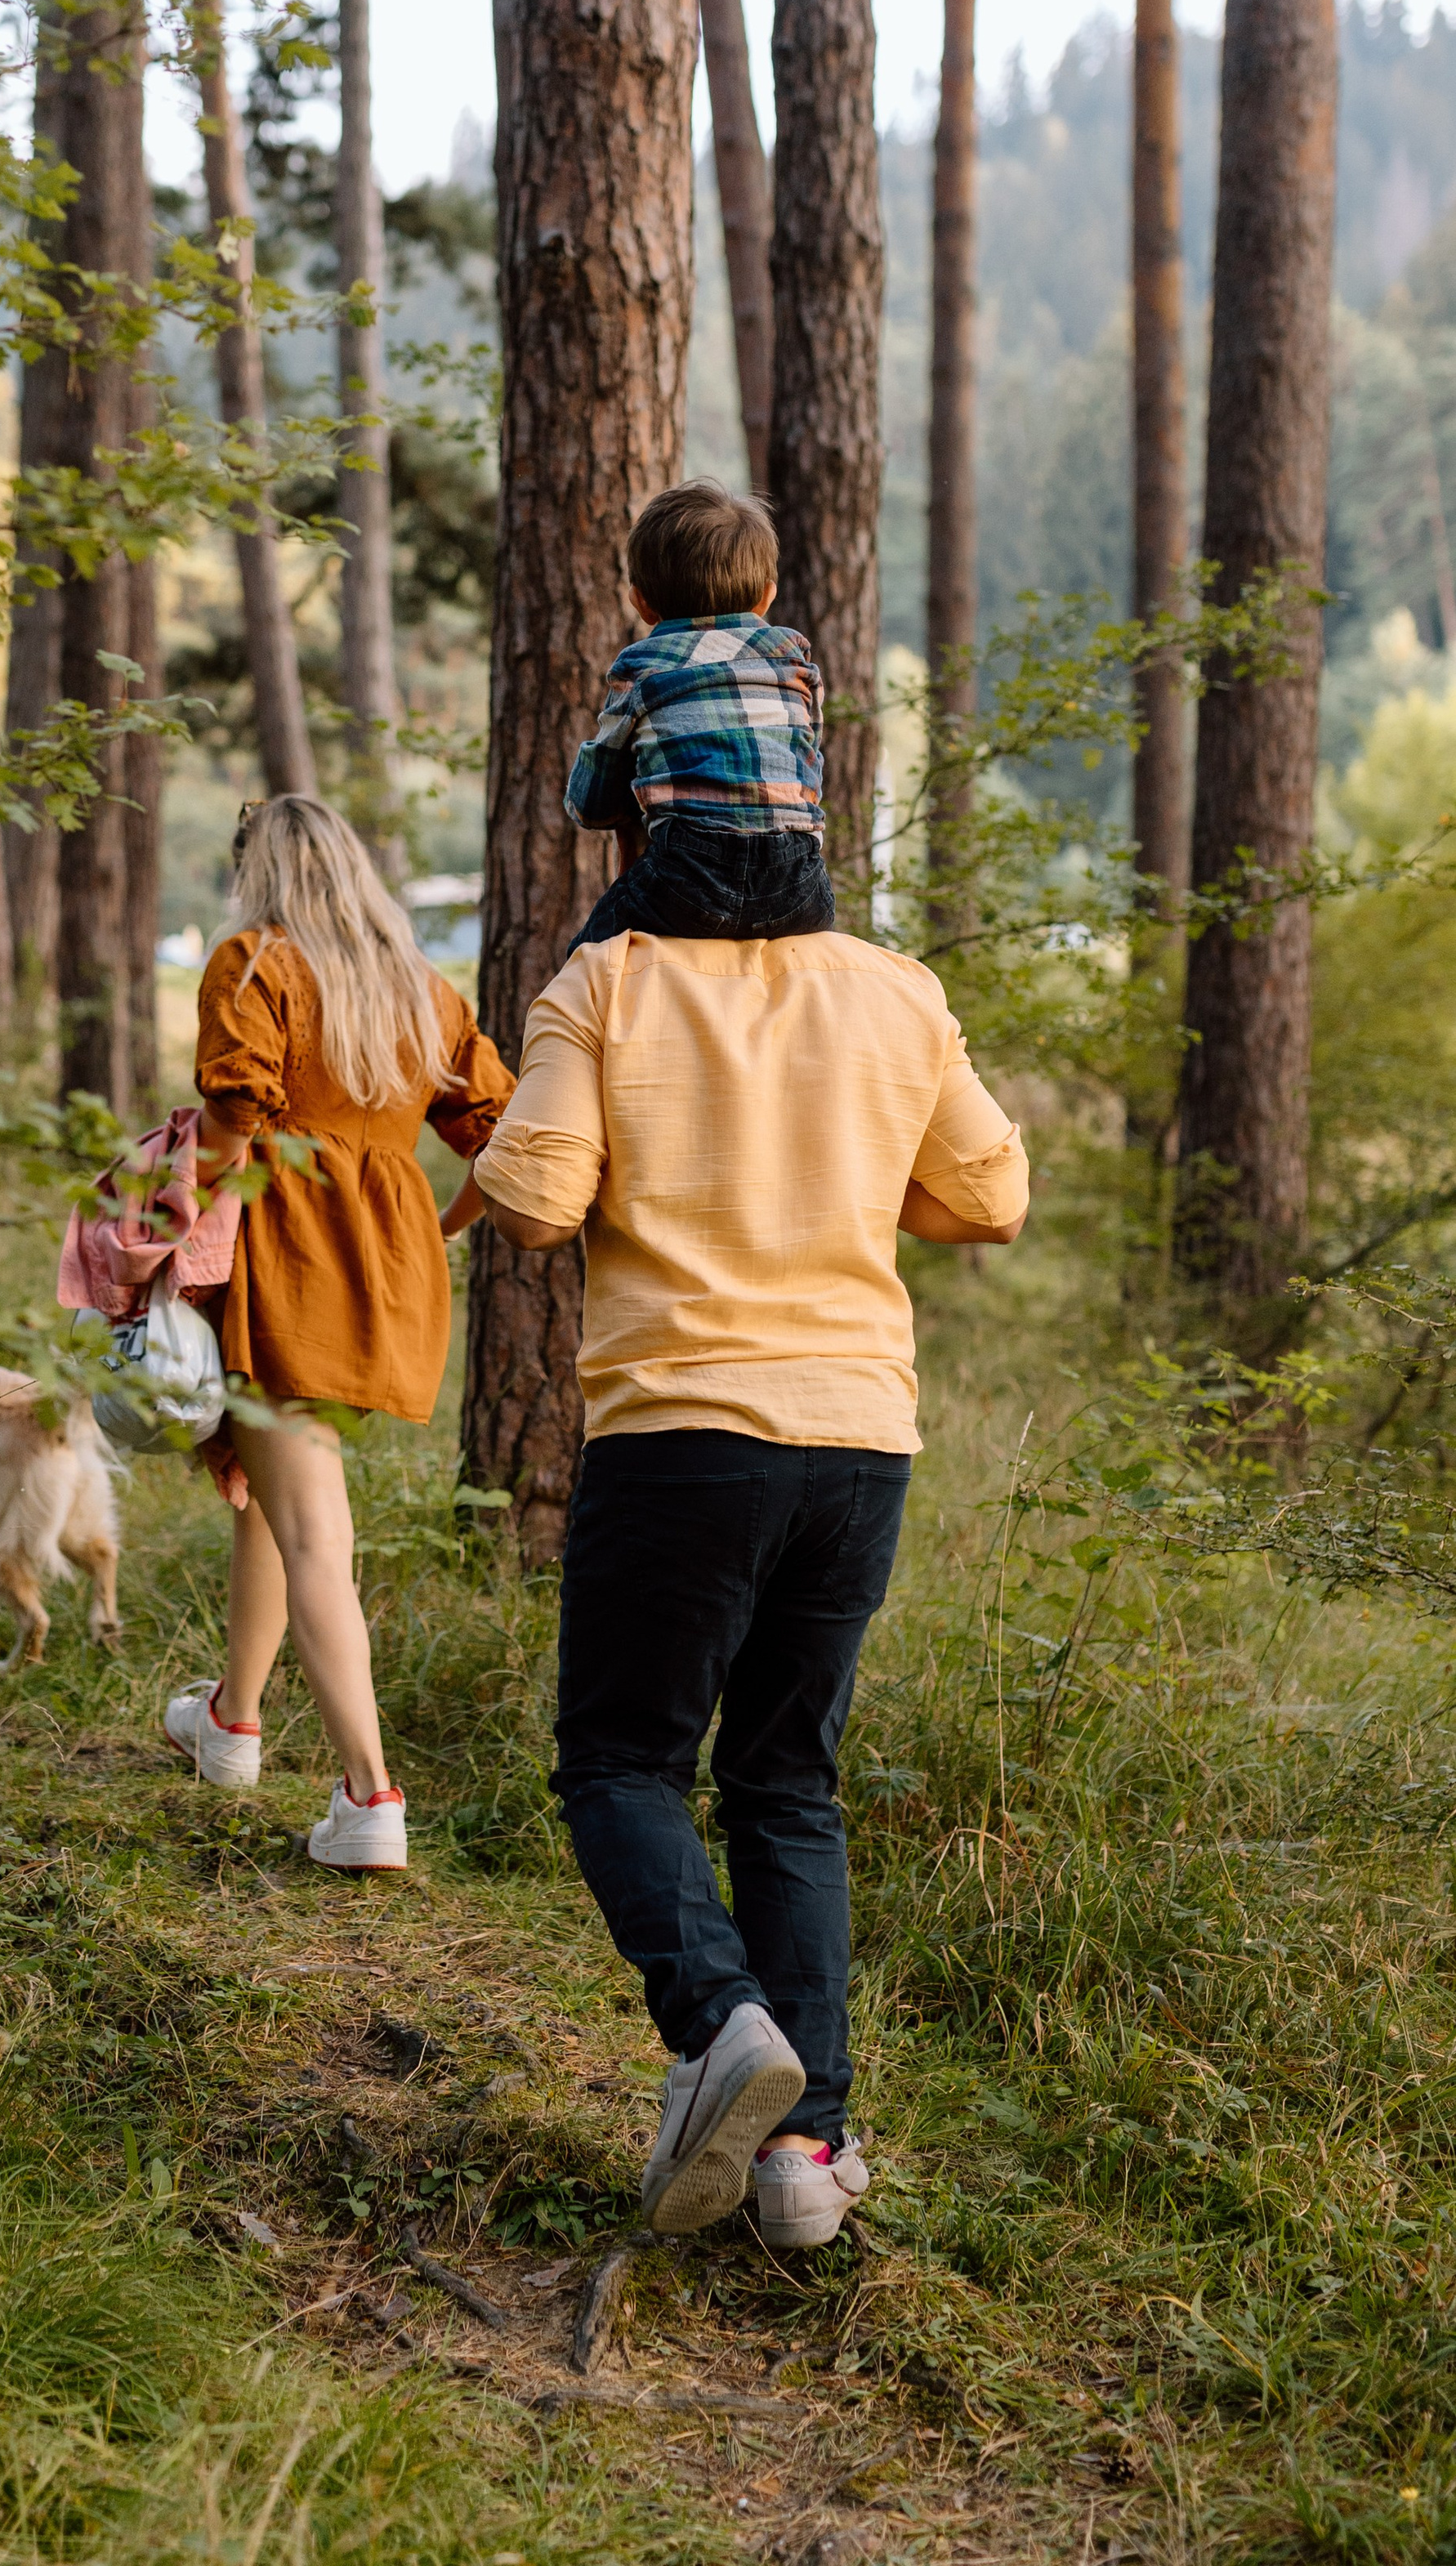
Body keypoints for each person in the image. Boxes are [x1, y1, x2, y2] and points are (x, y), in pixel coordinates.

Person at [472, 921, 1028, 2245]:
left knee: (619, 1764)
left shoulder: (610, 978)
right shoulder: (893, 986)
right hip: (858, 1443)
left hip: (685, 1432)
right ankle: (802, 2157)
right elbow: (992, 1198)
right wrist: (837, 1173)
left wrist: (510, 1147)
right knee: (788, 1777)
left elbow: (540, 1200)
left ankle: (723, 2023)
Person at [161, 795, 514, 1872]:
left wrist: (167, 1244)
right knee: (276, 1493)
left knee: (313, 1528)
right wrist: (438, 1228)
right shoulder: (419, 991)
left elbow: (232, 1124)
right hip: (388, 1277)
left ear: (257, 872)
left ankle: (371, 1797)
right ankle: (232, 1721)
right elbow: (505, 1132)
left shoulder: (255, 965)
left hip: (289, 1259)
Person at [564, 480, 834, 951]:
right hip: (800, 886)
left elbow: (594, 801)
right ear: (767, 597)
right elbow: (808, 769)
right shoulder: (795, 663)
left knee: (585, 960)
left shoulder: (643, 666)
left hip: (688, 881)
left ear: (640, 601)